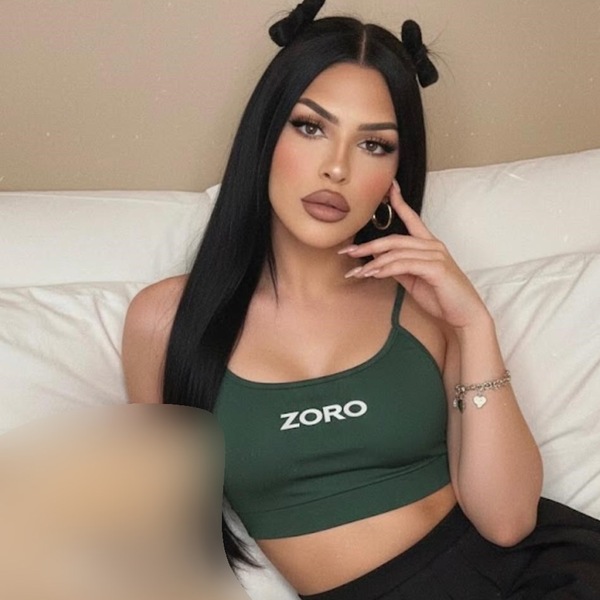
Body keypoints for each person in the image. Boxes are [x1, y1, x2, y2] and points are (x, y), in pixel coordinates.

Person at [121, 1, 600, 597]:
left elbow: (508, 522)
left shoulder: (425, 305)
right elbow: (165, 543)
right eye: (310, 127)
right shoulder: (167, 322)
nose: (337, 168)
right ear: (264, 135)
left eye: (374, 144)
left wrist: (473, 327)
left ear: (396, 172)